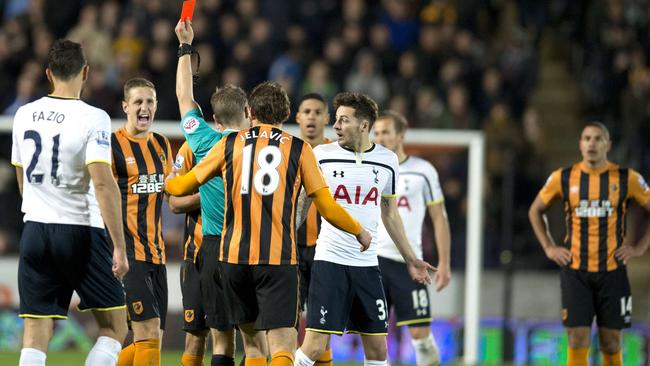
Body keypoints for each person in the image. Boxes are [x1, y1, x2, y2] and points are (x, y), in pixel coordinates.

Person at [166, 80, 372, 366]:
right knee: (282, 346)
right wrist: (358, 230)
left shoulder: (229, 142)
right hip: (276, 259)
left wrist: (170, 183)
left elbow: (183, 186)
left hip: (233, 258)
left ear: (250, 111)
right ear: (286, 115)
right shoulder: (300, 149)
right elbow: (326, 205)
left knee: (251, 344)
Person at [295, 93, 435, 366]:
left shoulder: (387, 160)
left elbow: (389, 212)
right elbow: (301, 205)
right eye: (335, 120)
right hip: (330, 262)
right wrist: (285, 241)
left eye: (343, 120)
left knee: (377, 350)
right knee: (313, 346)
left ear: (363, 125)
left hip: (368, 267)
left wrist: (410, 258)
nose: (335, 126)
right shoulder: (321, 155)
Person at [11, 39, 128, 366]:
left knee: (35, 331)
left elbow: (22, 178)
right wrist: (118, 246)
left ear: (48, 73)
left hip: (34, 229)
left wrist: (40, 208)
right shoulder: (94, 118)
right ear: (86, 73)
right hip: (80, 230)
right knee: (115, 327)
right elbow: (103, 184)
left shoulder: (23, 114)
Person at [529, 122, 650, 366]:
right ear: (580, 145)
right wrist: (549, 247)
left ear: (608, 145)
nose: (592, 143)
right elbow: (535, 211)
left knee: (611, 341)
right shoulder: (562, 177)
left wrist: (640, 247)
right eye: (586, 138)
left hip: (612, 272)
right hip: (575, 271)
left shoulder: (628, 179)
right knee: (577, 338)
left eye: (597, 138)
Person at [174, 19, 255, 366]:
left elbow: (183, 96)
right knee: (254, 339)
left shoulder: (205, 142)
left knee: (220, 339)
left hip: (211, 246)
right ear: (249, 114)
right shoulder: (261, 147)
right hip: (250, 243)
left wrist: (184, 47)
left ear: (216, 120)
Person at [373, 110, 451, 366]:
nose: (380, 137)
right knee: (374, 337)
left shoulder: (423, 170)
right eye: (377, 132)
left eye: (386, 132)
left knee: (421, 336)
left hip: (410, 265)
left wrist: (445, 263)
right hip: (374, 262)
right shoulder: (370, 168)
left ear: (401, 135)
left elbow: (439, 218)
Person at [113, 77, 173, 366]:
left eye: (149, 101)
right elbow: (102, 199)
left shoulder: (162, 144)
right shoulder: (112, 145)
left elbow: (172, 195)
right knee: (147, 333)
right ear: (125, 106)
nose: (144, 107)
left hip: (156, 253)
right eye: (138, 101)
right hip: (127, 253)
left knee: (151, 339)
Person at [294, 92, 333, 365]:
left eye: (318, 112)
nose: (312, 117)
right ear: (297, 117)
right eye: (307, 111)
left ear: (327, 118)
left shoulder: (337, 154)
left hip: (326, 251)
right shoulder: (287, 150)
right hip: (290, 249)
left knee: (322, 325)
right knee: (287, 321)